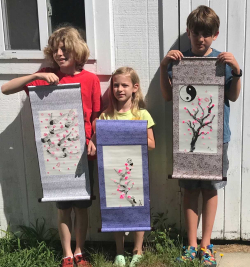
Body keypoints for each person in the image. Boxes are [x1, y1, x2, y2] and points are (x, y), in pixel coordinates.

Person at [1, 26, 101, 267]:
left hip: (82, 155)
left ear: (76, 50)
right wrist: (37, 77)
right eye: (55, 49)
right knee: (64, 206)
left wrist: (94, 141)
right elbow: (6, 88)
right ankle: (66, 254)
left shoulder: (90, 80)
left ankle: (80, 251)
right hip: (56, 154)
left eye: (64, 49)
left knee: (82, 205)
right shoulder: (46, 74)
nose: (59, 53)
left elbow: (96, 115)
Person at [160, 5, 241, 267]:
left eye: (206, 34)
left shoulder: (222, 62)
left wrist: (237, 71)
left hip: (217, 137)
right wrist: (164, 67)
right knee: (190, 189)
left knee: (210, 187)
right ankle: (191, 244)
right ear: (188, 32)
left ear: (215, 34)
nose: (201, 39)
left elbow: (232, 96)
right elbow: (167, 96)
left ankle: (206, 244)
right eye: (196, 33)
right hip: (187, 138)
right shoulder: (179, 61)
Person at [88, 66, 155, 267]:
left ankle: (138, 250)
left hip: (135, 171)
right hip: (113, 172)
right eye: (115, 85)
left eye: (124, 85)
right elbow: (96, 139)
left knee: (137, 208)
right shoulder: (106, 116)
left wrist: (131, 132)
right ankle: (119, 252)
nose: (119, 89)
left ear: (134, 87)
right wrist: (92, 141)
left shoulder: (142, 114)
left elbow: (152, 144)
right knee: (116, 209)